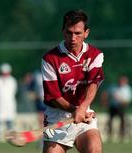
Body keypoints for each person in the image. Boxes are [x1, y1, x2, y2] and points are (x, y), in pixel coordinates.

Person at [41, 9, 104, 153]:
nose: (73, 38)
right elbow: (54, 97)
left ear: (86, 33)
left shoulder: (95, 54)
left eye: (78, 33)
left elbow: (93, 84)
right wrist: (75, 110)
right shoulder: (50, 59)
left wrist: (82, 108)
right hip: (57, 117)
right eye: (69, 32)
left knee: (94, 149)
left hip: (84, 114)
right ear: (63, 31)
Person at [101, 75, 132, 141]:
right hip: (113, 106)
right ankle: (109, 135)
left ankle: (122, 135)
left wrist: (121, 101)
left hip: (121, 107)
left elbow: (128, 100)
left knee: (122, 121)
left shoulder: (127, 89)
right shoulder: (113, 87)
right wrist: (105, 102)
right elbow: (105, 93)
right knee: (110, 120)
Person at [0, 63, 18, 141]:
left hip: (10, 104)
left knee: (10, 122)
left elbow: (14, 92)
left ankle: (11, 138)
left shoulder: (13, 80)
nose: (5, 74)